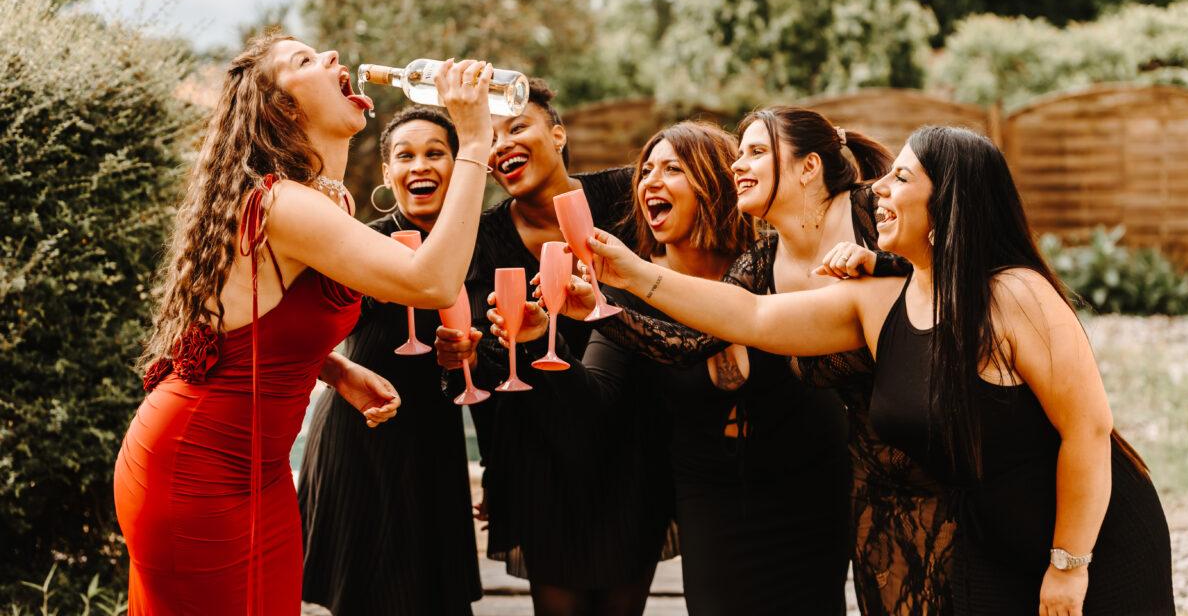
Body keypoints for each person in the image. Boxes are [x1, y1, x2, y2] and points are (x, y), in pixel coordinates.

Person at [585, 125, 1176, 616]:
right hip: (987, 541)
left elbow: (1089, 431)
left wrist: (1069, 565)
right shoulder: (879, 299)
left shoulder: (1015, 296)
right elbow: (752, 314)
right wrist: (633, 274)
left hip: (1090, 538)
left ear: (945, 202)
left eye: (900, 177)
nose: (879, 189)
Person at [112, 34, 495, 615]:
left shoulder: (320, 200)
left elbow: (251, 321)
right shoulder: (281, 204)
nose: (333, 59)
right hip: (195, 472)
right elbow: (432, 282)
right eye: (305, 61)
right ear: (283, 109)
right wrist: (472, 140)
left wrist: (335, 369)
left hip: (261, 476)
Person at [567, 108, 954, 614]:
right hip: (871, 478)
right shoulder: (763, 261)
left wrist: (878, 260)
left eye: (754, 152)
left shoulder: (865, 211)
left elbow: (946, 258)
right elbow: (692, 341)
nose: (737, 165)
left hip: (937, 460)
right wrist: (600, 307)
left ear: (809, 167)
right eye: (738, 154)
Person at [492, 120, 848, 615]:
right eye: (646, 171)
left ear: (714, 182)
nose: (650, 182)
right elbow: (595, 401)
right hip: (709, 494)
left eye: (673, 169)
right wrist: (535, 344)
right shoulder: (627, 289)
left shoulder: (772, 263)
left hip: (808, 482)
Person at [434, 81, 671, 616]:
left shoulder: (626, 196)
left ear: (558, 133)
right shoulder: (482, 238)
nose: (501, 145)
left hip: (632, 451)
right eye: (489, 137)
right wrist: (466, 361)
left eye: (516, 127)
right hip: (539, 460)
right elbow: (490, 369)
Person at [297, 107, 481, 615]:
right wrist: (336, 371)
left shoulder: (481, 242)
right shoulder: (356, 243)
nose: (420, 165)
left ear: (460, 163)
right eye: (406, 155)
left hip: (434, 444)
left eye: (435, 154)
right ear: (387, 174)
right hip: (363, 440)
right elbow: (293, 331)